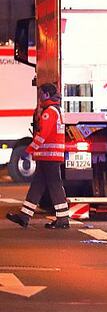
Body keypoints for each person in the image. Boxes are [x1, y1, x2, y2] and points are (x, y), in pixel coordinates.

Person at [6, 84, 70, 229]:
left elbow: (42, 135)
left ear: (47, 94)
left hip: (49, 156)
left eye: (41, 93)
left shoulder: (49, 112)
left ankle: (63, 219)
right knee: (37, 186)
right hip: (48, 156)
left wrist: (29, 150)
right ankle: (24, 216)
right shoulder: (56, 110)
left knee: (54, 185)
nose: (39, 97)